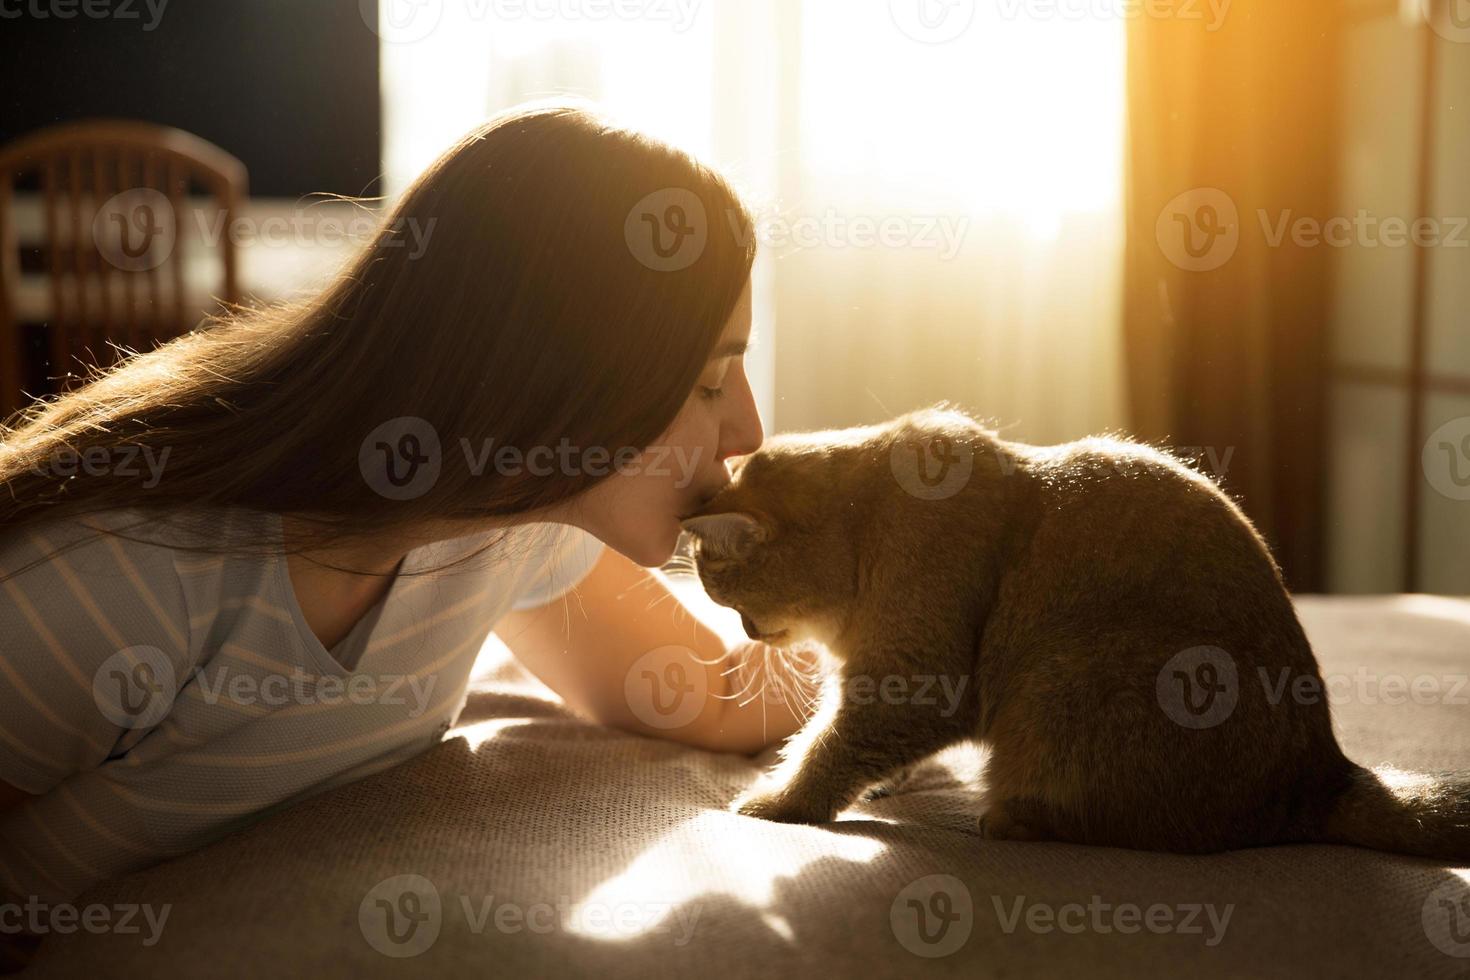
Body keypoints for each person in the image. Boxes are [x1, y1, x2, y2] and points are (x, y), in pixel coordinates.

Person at [0, 102, 813, 930]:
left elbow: (716, 695)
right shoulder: (121, 578)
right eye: (709, 383)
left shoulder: (515, 527)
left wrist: (933, 640)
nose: (748, 431)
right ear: (554, 374)